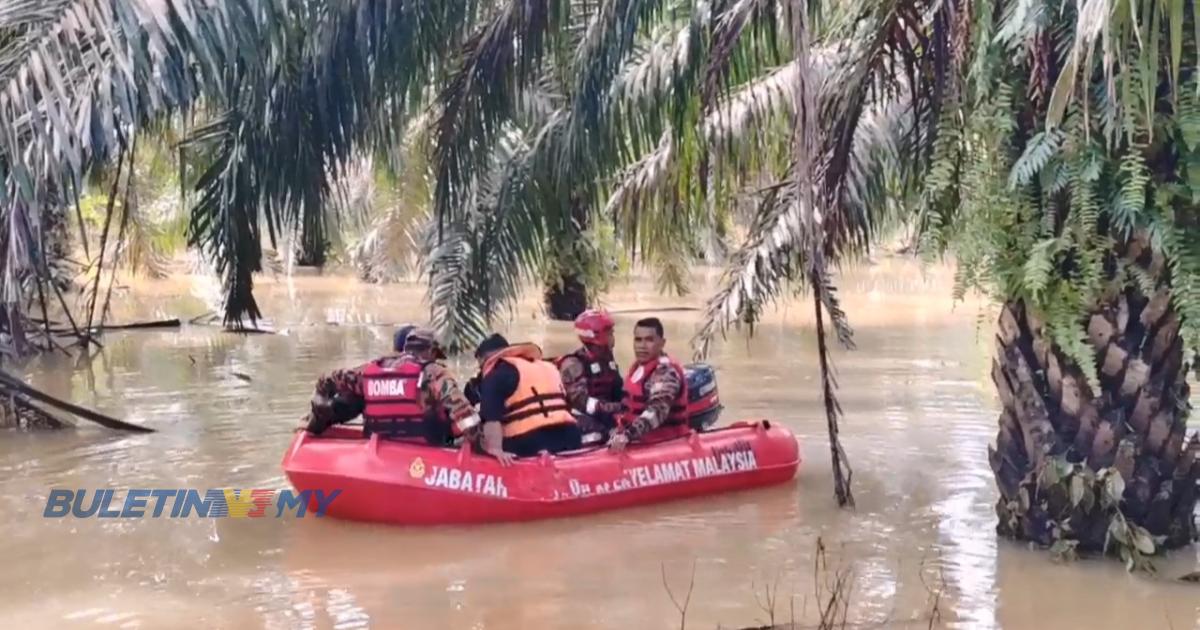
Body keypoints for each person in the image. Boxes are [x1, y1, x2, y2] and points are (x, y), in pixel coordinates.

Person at [307, 326, 480, 445]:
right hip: (426, 449)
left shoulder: (372, 369)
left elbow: (328, 381)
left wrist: (318, 410)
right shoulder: (434, 373)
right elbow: (465, 415)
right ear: (431, 352)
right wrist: (475, 441)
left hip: (379, 448)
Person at [475, 333, 583, 465]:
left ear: (485, 359)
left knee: (479, 442)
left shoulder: (495, 374)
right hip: (570, 437)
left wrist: (495, 449)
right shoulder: (548, 366)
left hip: (529, 441)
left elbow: (491, 419)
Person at [608, 317, 689, 452]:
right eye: (638, 340)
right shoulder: (637, 369)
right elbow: (625, 409)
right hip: (638, 442)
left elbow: (657, 411)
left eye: (649, 340)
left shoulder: (666, 373)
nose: (642, 346)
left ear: (662, 343)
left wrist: (627, 435)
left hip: (666, 445)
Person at [555, 309, 624, 442]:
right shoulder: (573, 364)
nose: (612, 336)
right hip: (582, 417)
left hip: (607, 413)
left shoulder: (607, 359)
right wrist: (614, 408)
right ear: (596, 336)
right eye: (609, 333)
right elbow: (581, 402)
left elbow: (619, 389)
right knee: (599, 435)